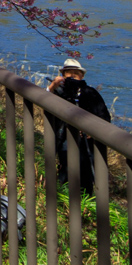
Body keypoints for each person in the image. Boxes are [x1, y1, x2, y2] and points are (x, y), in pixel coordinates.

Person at [47, 58, 111, 195]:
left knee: (87, 173)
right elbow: (42, 101)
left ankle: (85, 201)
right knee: (66, 169)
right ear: (62, 75)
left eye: (75, 74)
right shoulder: (59, 92)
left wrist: (93, 130)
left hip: (88, 142)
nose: (71, 77)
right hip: (64, 137)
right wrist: (53, 86)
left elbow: (104, 117)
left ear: (81, 76)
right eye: (68, 74)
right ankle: (63, 199)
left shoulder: (90, 93)